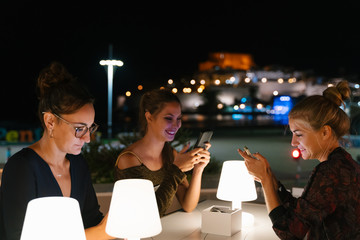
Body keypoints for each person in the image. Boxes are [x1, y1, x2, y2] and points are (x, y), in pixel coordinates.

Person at [0, 62, 114, 240]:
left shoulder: (78, 164)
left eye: (90, 128)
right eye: (79, 128)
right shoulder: (21, 168)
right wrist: (101, 232)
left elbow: (92, 221)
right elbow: (18, 236)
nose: (87, 138)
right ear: (50, 121)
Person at [237, 80, 360, 239]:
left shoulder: (330, 171)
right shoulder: (343, 163)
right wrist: (268, 176)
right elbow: (303, 211)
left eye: (299, 134)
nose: (293, 142)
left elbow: (289, 232)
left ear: (325, 132)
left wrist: (265, 180)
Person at [114, 88, 211, 217]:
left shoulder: (170, 155)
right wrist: (176, 169)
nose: (176, 125)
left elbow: (188, 205)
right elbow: (148, 215)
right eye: (169, 118)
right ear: (149, 117)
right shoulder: (129, 159)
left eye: (179, 118)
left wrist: (198, 170)